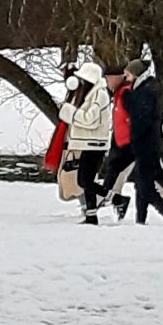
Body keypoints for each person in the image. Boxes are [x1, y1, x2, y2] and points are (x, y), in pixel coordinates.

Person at [100, 68, 163, 221]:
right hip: (128, 143)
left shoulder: (128, 92)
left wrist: (134, 138)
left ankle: (158, 214)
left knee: (142, 182)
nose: (106, 81)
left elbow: (139, 118)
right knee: (150, 175)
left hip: (133, 144)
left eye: (109, 78)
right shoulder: (122, 92)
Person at [59, 62, 111, 225]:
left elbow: (90, 120)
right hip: (86, 143)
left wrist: (71, 113)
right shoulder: (90, 94)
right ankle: (91, 215)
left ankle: (112, 197)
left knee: (84, 181)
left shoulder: (100, 95)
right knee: (85, 181)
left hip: (94, 145)